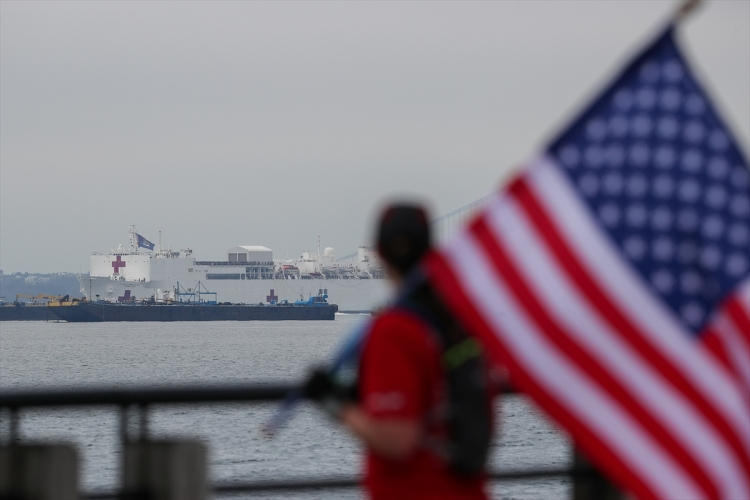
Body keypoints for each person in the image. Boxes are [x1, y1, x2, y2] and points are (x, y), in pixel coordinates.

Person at [305, 204, 496, 500]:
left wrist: (334, 404)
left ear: (379, 252)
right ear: (430, 250)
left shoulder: (394, 330)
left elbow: (397, 440)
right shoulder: (461, 322)